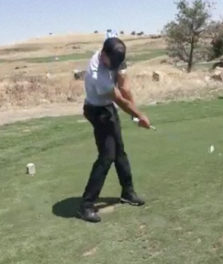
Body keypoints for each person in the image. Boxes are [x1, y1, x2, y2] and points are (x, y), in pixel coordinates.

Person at [78, 37, 152, 223]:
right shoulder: (98, 74)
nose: (114, 66)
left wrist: (136, 116)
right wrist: (139, 115)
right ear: (103, 55)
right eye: (112, 63)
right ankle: (86, 205)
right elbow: (119, 98)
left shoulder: (116, 55)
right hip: (96, 111)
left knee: (119, 151)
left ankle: (128, 192)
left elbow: (125, 87)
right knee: (107, 156)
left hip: (108, 108)